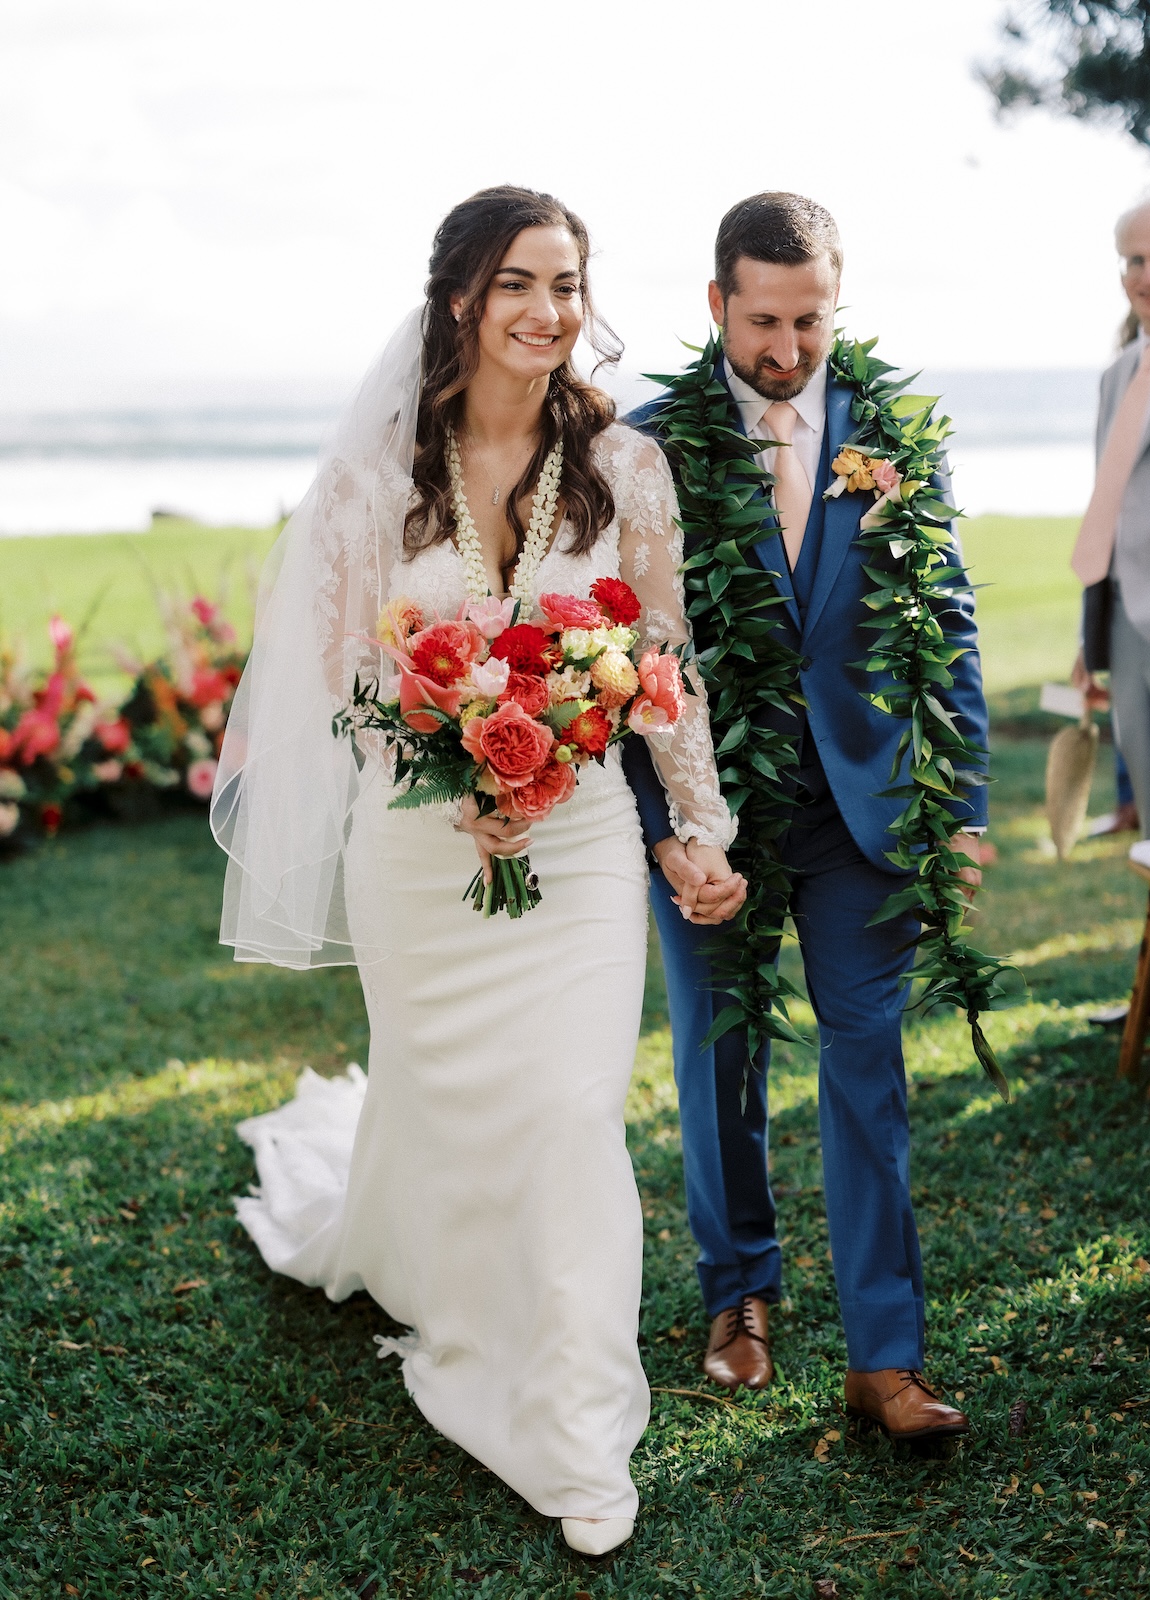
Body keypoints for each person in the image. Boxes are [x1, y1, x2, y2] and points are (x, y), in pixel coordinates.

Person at [211, 186, 741, 1557]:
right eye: (520, 282)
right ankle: (436, 1273)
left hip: (574, 849)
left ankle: (572, 1418)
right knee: (455, 1111)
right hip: (419, 847)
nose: (548, 312)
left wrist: (692, 829)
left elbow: (659, 661)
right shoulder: (371, 481)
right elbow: (336, 683)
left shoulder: (625, 467)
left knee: (568, 1115)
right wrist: (456, 769)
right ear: (460, 295)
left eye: (568, 284)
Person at [622, 192, 988, 1442]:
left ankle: (885, 1357)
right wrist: (665, 828)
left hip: (865, 811)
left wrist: (967, 807)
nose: (787, 350)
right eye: (763, 319)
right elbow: (611, 656)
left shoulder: (894, 429)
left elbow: (948, 623)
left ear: (839, 299)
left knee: (868, 1063)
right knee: (719, 1054)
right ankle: (740, 1297)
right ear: (717, 303)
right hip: (705, 808)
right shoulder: (648, 441)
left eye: (810, 319)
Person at [1072, 197, 1150, 842]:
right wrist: (1087, 634)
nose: (1147, 275)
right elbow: (1106, 507)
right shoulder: (1117, 374)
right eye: (1133, 261)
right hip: (1124, 631)